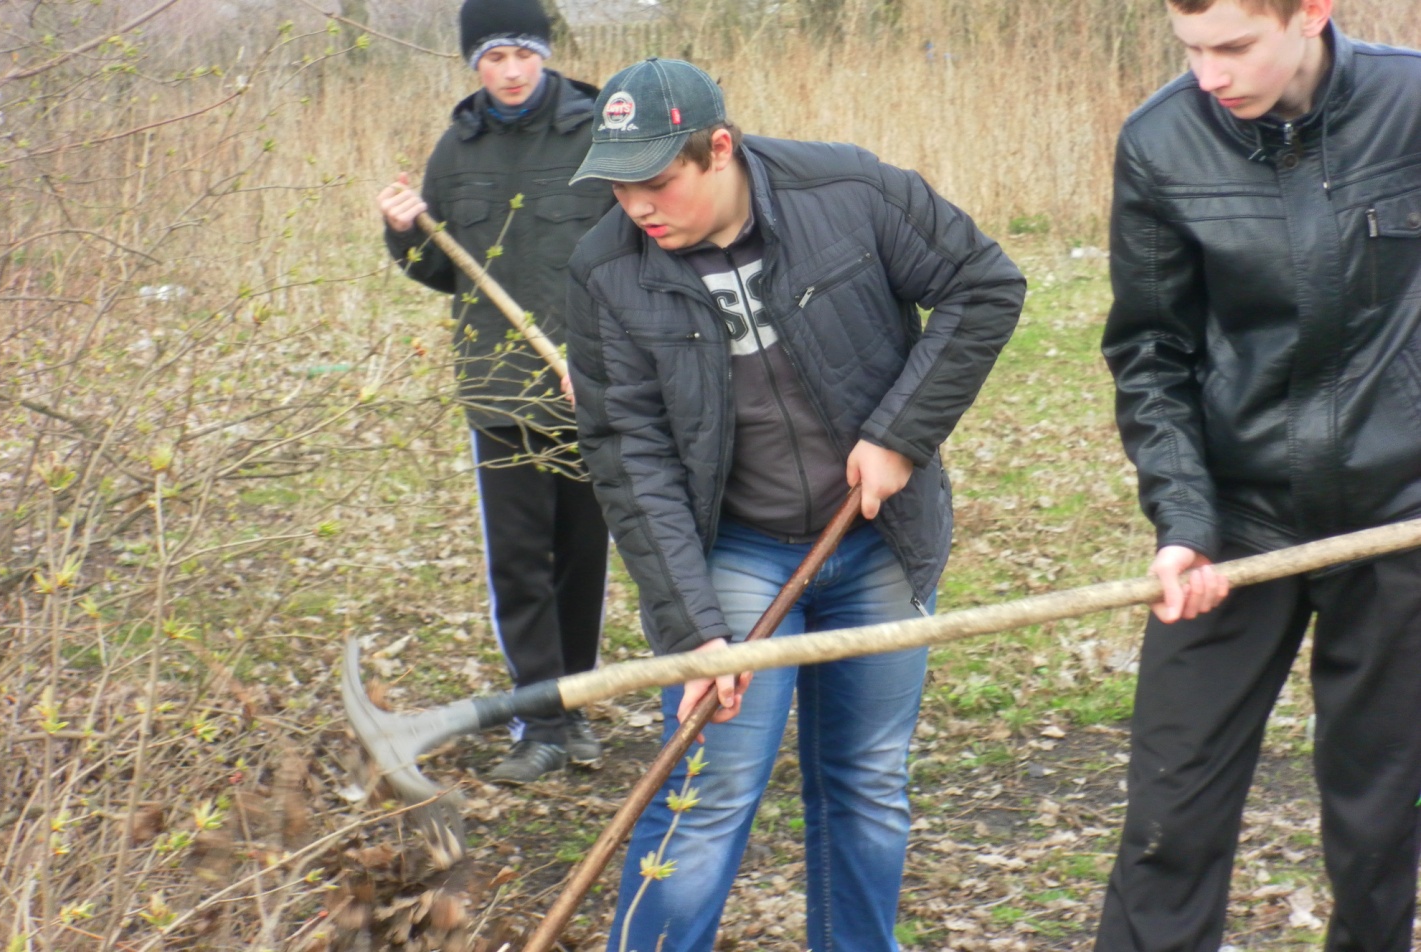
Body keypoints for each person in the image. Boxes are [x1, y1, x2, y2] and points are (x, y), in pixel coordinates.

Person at [564, 57, 1025, 952]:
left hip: (878, 538)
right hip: (733, 553)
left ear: (719, 149)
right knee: (708, 789)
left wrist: (897, 435)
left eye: (657, 183)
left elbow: (984, 285)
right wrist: (695, 629)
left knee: (865, 780)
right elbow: (629, 455)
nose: (638, 209)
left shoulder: (847, 192)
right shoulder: (605, 272)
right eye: (619, 189)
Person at [1095, 1, 1421, 949]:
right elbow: (1150, 351)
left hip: (1398, 518)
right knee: (1171, 809)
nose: (1208, 74)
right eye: (1189, 48)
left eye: (1233, 46)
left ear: (1310, 12)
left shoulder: (1413, 104)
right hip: (1236, 524)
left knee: (1379, 816)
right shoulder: (1160, 140)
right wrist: (1182, 519)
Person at [376, 0, 615, 785]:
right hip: (498, 389)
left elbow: (644, 246)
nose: (509, 71)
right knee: (519, 562)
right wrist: (406, 231)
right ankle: (539, 722)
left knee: (582, 556)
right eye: (492, 57)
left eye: (521, 53)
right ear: (472, 63)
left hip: (589, 386)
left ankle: (570, 707)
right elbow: (438, 274)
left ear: (543, 53)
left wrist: (612, 356)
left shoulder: (596, 134)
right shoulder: (456, 151)